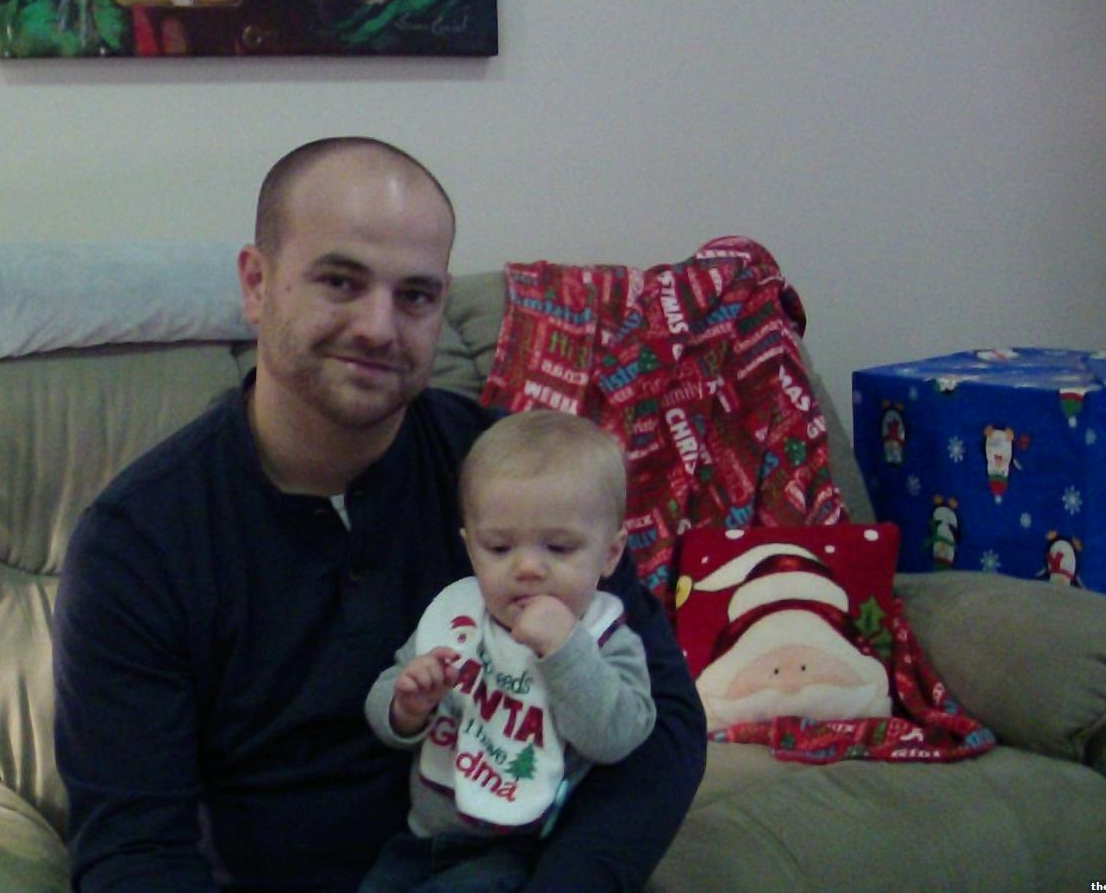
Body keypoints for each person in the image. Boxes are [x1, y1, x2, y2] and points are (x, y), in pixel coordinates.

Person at [53, 136, 706, 892]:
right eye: (340, 281)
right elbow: (133, 850)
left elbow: (663, 719)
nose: (378, 327)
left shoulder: (514, 479)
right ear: (257, 284)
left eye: (415, 296)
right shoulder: (140, 543)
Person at [360, 410, 658, 892]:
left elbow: (617, 736)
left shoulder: (606, 640)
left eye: (558, 548)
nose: (527, 568)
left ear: (610, 554)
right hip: (418, 840)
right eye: (499, 548)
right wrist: (408, 707)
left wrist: (565, 649)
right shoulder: (459, 618)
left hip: (515, 853)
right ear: (470, 548)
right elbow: (382, 705)